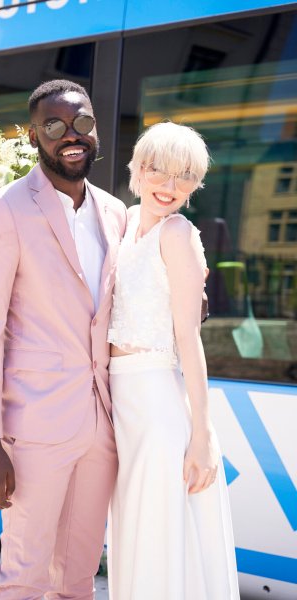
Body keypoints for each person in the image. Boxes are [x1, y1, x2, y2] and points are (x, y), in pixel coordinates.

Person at [0, 79, 127, 600]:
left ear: (95, 129)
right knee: (24, 580)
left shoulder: (115, 213)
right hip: (34, 431)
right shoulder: (5, 208)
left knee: (79, 578)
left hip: (101, 427)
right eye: (54, 126)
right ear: (35, 136)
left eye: (81, 122)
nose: (70, 135)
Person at [107, 121, 240, 599]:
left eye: (185, 177)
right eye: (160, 172)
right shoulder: (121, 223)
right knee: (134, 531)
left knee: (162, 536)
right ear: (138, 170)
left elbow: (190, 340)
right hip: (121, 406)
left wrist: (201, 434)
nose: (170, 187)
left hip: (158, 406)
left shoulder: (179, 233)